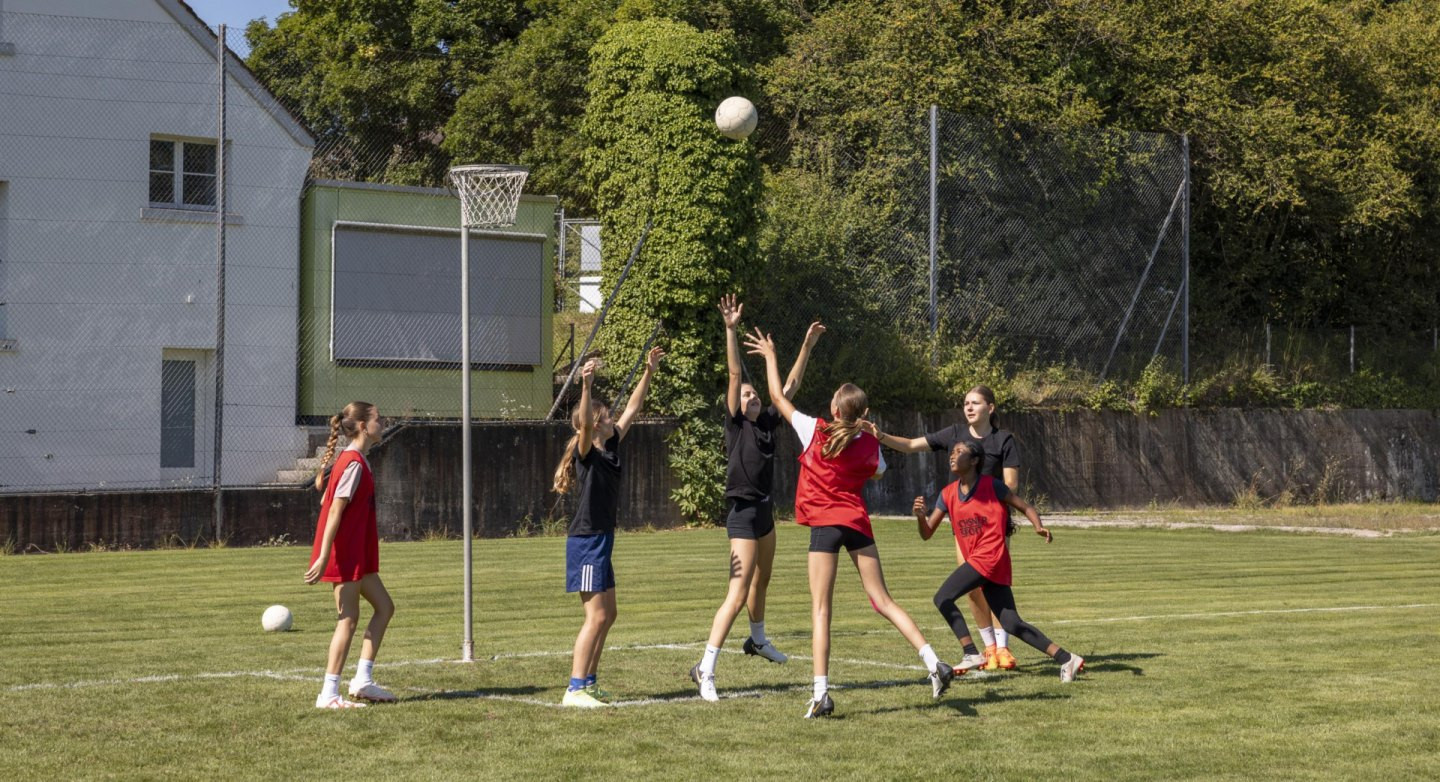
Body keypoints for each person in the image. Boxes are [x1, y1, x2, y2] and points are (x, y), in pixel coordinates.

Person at [744, 328, 965, 719]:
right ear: (861, 413)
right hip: (857, 522)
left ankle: (821, 694)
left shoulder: (815, 430)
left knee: (821, 610)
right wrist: (865, 437)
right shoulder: (869, 443)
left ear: (834, 410)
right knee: (883, 601)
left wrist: (770, 357)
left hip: (826, 526)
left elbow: (777, 397)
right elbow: (877, 473)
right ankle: (934, 663)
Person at [690, 295, 824, 702]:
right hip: (742, 513)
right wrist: (730, 329)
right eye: (746, 395)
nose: (750, 397)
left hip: (765, 510)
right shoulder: (735, 423)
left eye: (753, 394)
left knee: (762, 581)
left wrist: (805, 347)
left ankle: (758, 640)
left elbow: (790, 386)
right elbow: (734, 373)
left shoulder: (767, 421)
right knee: (737, 591)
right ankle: (706, 669)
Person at [866, 385, 1021, 670]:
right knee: (973, 588)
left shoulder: (1004, 440)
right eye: (966, 403)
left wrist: (987, 496)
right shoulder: (953, 435)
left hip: (995, 525)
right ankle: (987, 648)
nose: (969, 408)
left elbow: (1010, 485)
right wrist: (881, 436)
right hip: (965, 528)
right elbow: (912, 445)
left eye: (975, 403)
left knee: (996, 585)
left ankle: (1003, 648)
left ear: (991, 407)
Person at [914, 441, 1084, 682]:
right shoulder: (947, 493)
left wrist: (1039, 526)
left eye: (959, 452)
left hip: (990, 556)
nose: (952, 456)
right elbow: (926, 533)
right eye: (951, 452)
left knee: (942, 597)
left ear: (975, 461)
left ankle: (971, 653)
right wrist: (921, 517)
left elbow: (1025, 506)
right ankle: (1067, 659)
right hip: (985, 562)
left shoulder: (992, 486)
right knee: (1011, 623)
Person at [551, 348, 664, 708]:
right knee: (595, 616)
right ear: (595, 423)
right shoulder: (587, 451)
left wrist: (649, 371)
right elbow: (583, 424)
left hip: (601, 538)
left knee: (609, 614)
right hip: (585, 541)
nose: (613, 417)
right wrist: (585, 387)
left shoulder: (612, 444)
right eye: (606, 416)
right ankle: (574, 689)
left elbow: (633, 407)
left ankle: (590, 682)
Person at [305, 401, 397, 709]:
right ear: (362, 426)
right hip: (344, 554)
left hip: (357, 552)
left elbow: (327, 504)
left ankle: (362, 681)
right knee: (348, 619)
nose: (382, 424)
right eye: (377, 419)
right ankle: (329, 694)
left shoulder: (355, 460)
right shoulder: (354, 463)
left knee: (384, 607)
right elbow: (333, 511)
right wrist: (322, 556)